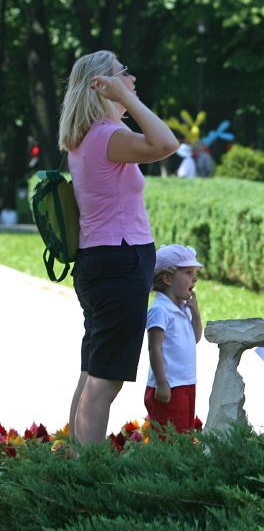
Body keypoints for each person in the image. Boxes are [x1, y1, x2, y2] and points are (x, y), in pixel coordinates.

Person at [58, 50, 178, 444]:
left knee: (92, 373)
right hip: (119, 263)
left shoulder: (85, 138)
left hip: (100, 263)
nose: (133, 80)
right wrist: (127, 101)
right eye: (123, 74)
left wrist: (123, 99)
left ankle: (74, 469)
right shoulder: (108, 137)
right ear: (102, 85)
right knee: (104, 382)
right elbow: (166, 143)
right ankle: (87, 480)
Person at [144, 245, 203, 433]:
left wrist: (195, 312)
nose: (194, 278)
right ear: (168, 278)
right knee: (168, 439)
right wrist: (161, 383)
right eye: (188, 272)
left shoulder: (183, 308)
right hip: (168, 387)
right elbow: (154, 349)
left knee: (184, 435)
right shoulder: (160, 310)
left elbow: (195, 337)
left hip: (186, 383)